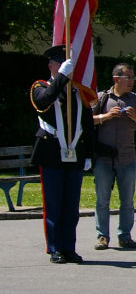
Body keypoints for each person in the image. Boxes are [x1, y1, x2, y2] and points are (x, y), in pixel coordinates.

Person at [30, 45, 95, 264]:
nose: (67, 69)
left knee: (71, 206)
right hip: (51, 154)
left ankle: (69, 247)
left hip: (74, 154)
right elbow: (43, 100)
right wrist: (60, 77)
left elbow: (87, 126)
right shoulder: (40, 86)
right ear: (51, 66)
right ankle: (55, 247)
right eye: (60, 63)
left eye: (68, 65)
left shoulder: (78, 93)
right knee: (54, 205)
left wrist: (88, 155)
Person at [91, 63, 136, 250]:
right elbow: (87, 122)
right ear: (116, 79)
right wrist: (106, 116)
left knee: (127, 200)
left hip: (127, 158)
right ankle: (102, 236)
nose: (132, 81)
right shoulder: (102, 98)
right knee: (102, 199)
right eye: (128, 78)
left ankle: (124, 236)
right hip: (103, 158)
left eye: (133, 78)